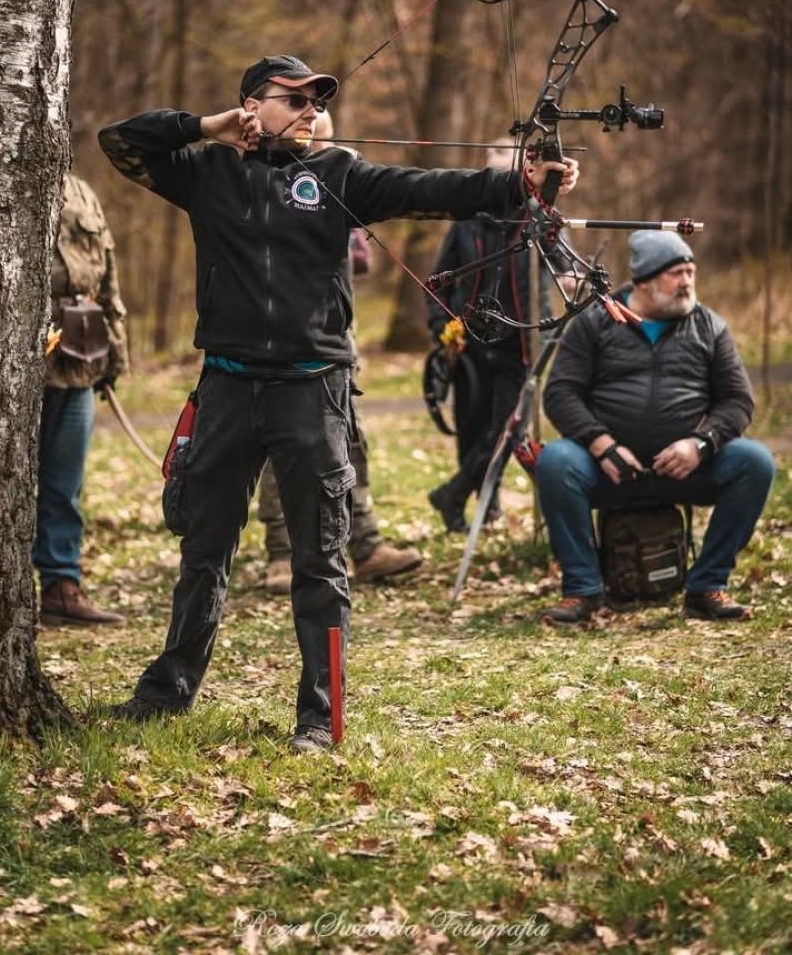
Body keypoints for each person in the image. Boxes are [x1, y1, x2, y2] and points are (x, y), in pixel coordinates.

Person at [97, 54, 565, 753]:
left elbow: (431, 188)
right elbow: (121, 141)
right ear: (252, 106)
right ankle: (166, 692)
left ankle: (319, 717)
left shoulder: (340, 175)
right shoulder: (204, 171)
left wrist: (522, 184)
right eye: (294, 98)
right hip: (225, 385)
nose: (312, 109)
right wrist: (208, 126)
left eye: (318, 100)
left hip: (311, 390)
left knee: (320, 562)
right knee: (204, 552)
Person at [536, 230, 776, 624]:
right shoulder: (595, 322)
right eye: (676, 273)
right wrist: (603, 446)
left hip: (683, 469)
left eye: (691, 272)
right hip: (609, 470)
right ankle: (583, 592)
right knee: (556, 461)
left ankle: (706, 587)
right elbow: (561, 394)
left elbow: (737, 401)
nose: (687, 282)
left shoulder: (709, 327)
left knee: (755, 461)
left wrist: (700, 445)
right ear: (644, 282)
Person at [259, 111, 422, 594]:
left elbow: (361, 262)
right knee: (281, 448)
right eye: (316, 142)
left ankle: (364, 543)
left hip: (336, 340)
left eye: (329, 143)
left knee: (349, 440)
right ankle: (281, 552)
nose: (323, 152)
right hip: (280, 346)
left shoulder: (337, 187)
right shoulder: (271, 188)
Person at [425, 141, 578, 533]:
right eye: (494, 176)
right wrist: (442, 329)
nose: (504, 184)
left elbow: (566, 265)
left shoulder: (542, 218)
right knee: (473, 425)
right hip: (470, 341)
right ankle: (476, 506)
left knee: (509, 428)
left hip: (521, 342)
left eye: (511, 175)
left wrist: (569, 280)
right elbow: (437, 282)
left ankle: (460, 494)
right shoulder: (465, 223)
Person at [35, 173, 129, 627]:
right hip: (19, 350)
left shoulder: (82, 190)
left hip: (80, 351)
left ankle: (61, 585)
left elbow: (107, 278)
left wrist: (115, 355)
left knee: (65, 482)